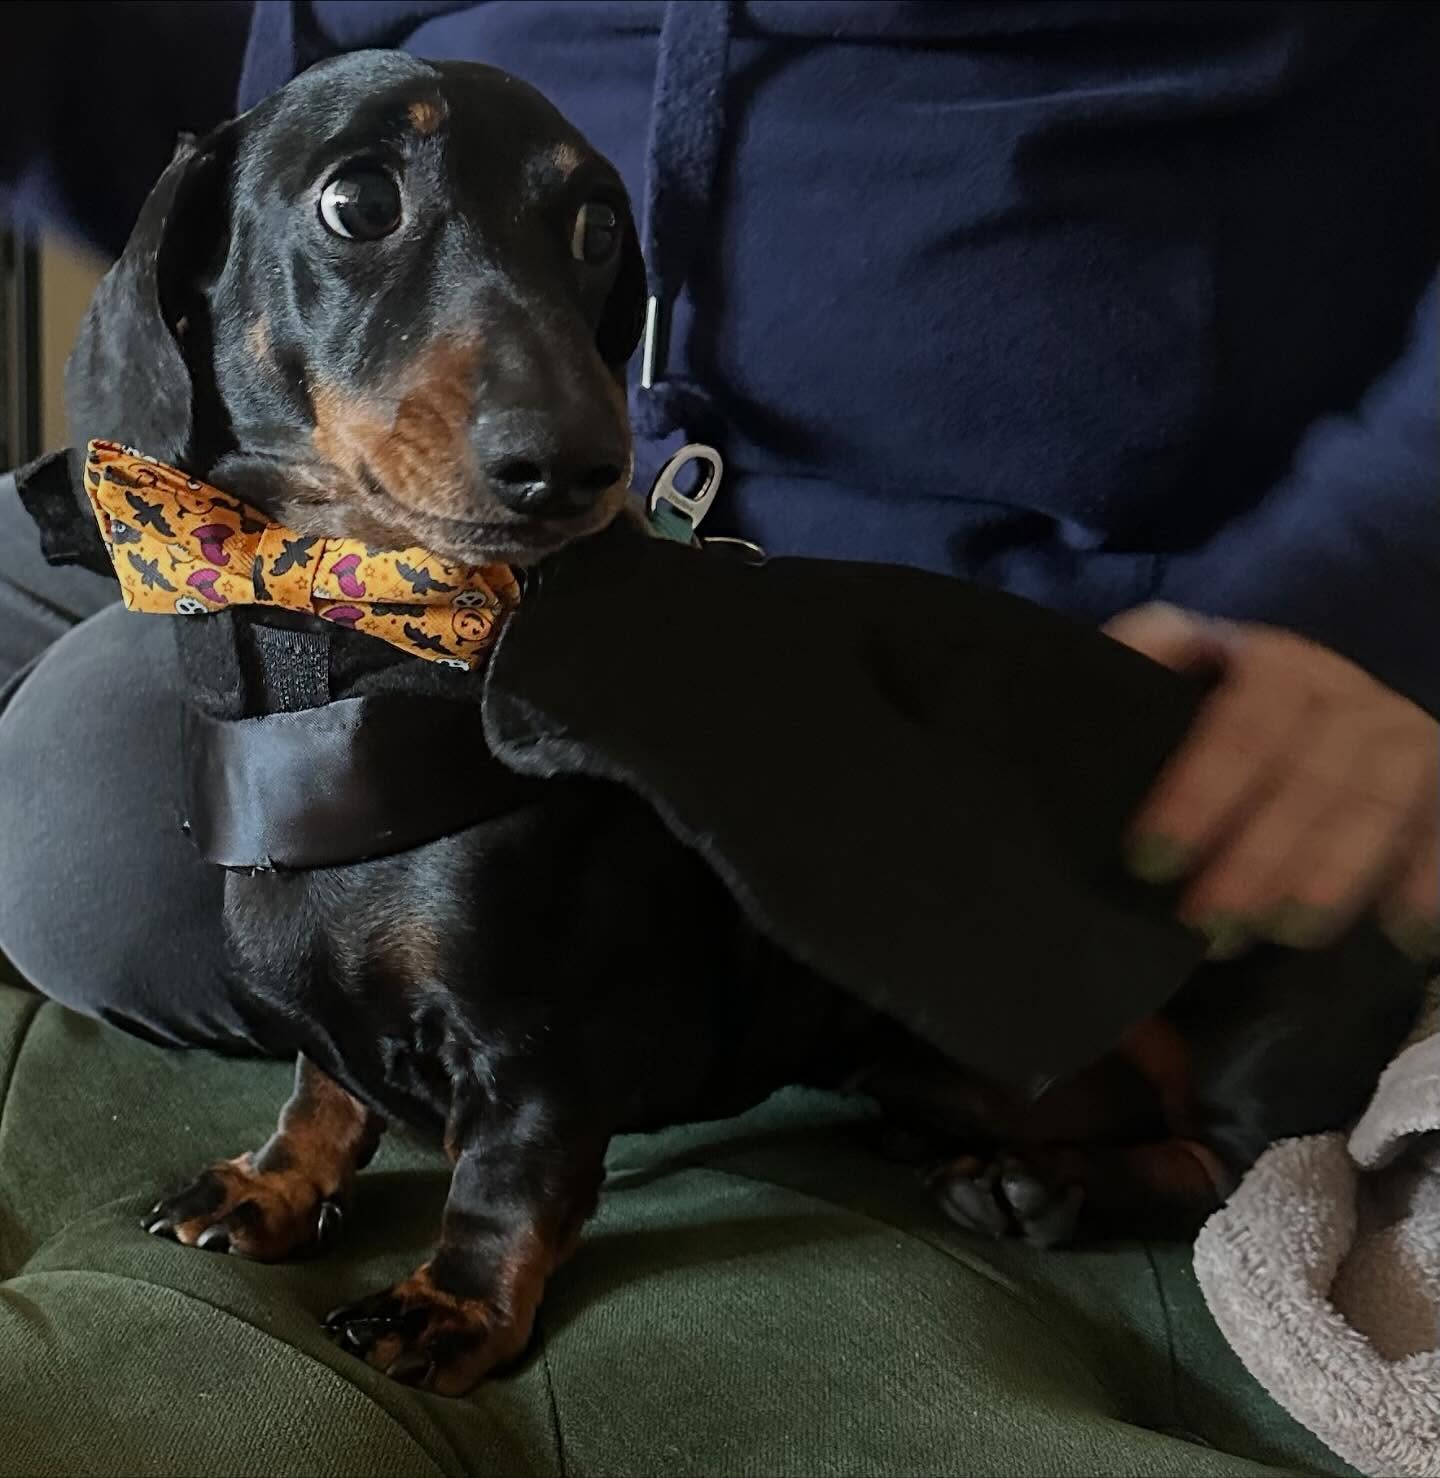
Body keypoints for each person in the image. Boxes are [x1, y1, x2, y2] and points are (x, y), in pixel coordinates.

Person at [1, 0, 1436, 1053]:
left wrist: (1373, 564)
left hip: (961, 614)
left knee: (93, 825)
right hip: (322, 493)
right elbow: (274, 125)